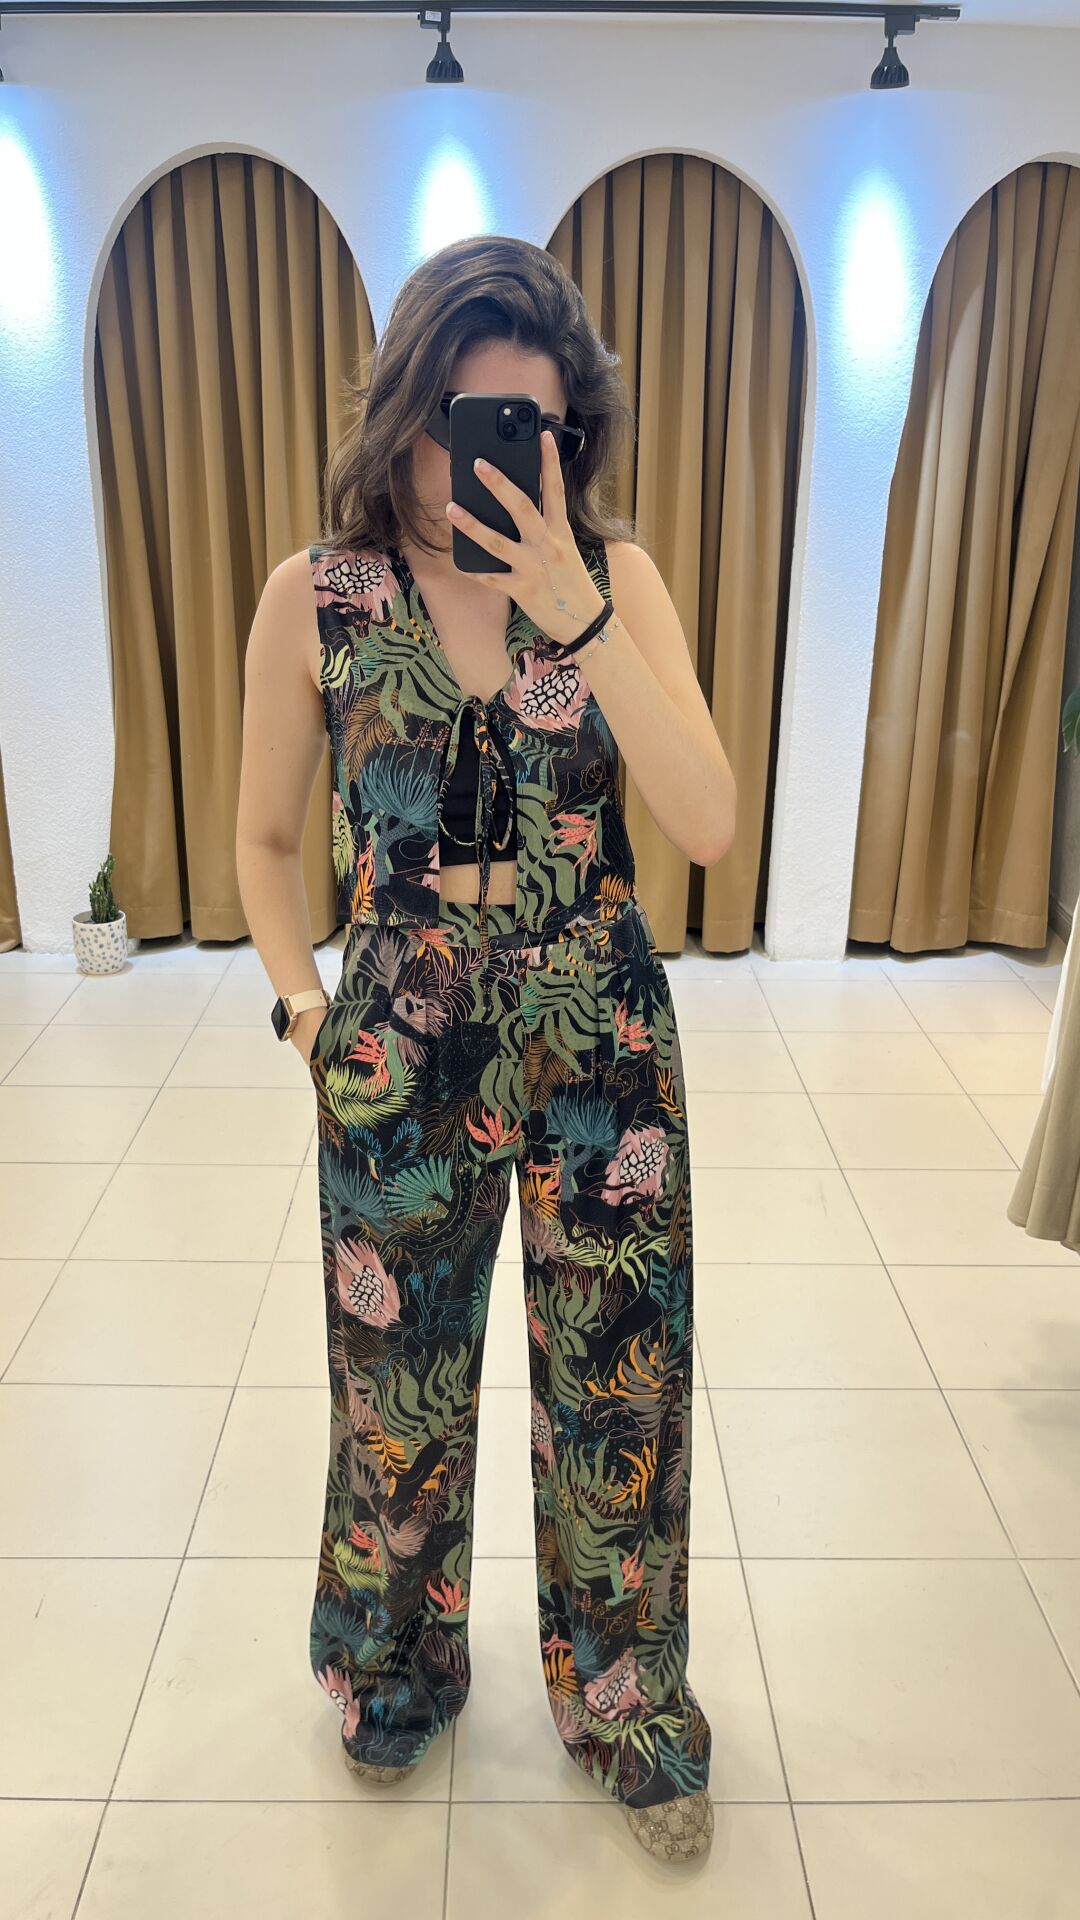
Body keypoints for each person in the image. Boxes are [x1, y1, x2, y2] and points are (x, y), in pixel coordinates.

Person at [236, 233, 736, 1865]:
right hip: (399, 1031)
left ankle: (627, 1704)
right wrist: (308, 1015)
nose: (499, 466)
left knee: (620, 1390)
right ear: (406, 417)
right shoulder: (318, 596)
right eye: (469, 425)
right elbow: (260, 841)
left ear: (571, 435)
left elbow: (709, 821)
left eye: (539, 431)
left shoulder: (616, 582)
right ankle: (395, 1671)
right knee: (398, 1383)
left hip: (600, 1028)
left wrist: (580, 613)